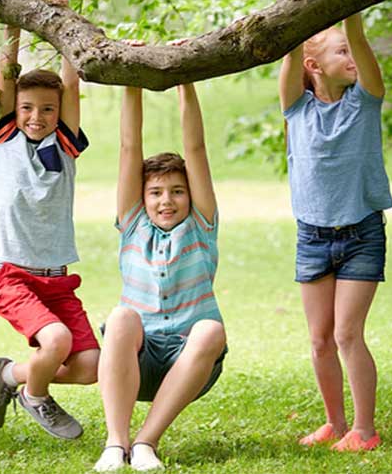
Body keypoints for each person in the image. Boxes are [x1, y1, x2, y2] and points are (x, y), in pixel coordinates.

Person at [94, 44, 228, 472]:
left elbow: (197, 150)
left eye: (176, 191)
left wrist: (185, 77)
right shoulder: (133, 224)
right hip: (140, 355)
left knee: (209, 329)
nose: (166, 201)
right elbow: (128, 147)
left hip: (191, 361)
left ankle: (146, 443)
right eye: (155, 192)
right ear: (143, 197)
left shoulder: (201, 227)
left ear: (190, 195)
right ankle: (116, 444)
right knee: (120, 317)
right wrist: (132, 78)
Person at [280, 0, 392, 452]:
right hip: (313, 236)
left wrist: (347, 4)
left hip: (361, 233)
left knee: (348, 334)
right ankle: (334, 423)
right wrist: (295, 8)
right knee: (320, 340)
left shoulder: (364, 102)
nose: (351, 57)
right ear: (314, 65)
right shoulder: (296, 109)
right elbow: (285, 56)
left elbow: (363, 49)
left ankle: (364, 431)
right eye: (339, 52)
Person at [0, 0, 99, 441]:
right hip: (8, 271)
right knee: (58, 342)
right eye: (28, 107)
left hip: (55, 274)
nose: (36, 116)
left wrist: (64, 22)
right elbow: (7, 79)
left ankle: (10, 376)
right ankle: (36, 396)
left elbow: (71, 85)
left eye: (47, 109)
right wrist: (14, 20)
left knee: (89, 365)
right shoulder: (5, 137)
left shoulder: (64, 145)